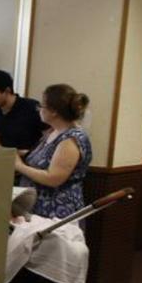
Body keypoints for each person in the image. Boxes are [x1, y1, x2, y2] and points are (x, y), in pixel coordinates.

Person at [14, 84, 92, 219]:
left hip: (56, 212)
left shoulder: (71, 139)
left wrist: (19, 166)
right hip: (36, 208)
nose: (39, 110)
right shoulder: (53, 132)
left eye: (42, 106)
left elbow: (53, 178)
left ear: (54, 111)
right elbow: (47, 158)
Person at [0, 70, 47, 152]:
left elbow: (50, 138)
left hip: (32, 160)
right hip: (5, 159)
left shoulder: (33, 107)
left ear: (7, 91)